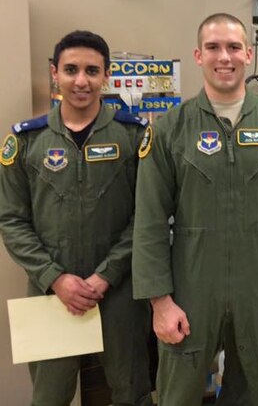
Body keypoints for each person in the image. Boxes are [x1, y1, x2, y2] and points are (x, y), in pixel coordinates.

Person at [132, 13, 258, 405]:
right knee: (177, 391)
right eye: (214, 47)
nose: (225, 57)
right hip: (191, 282)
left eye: (234, 47)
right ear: (198, 55)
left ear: (249, 54)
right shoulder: (170, 128)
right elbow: (149, 219)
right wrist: (159, 301)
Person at [0, 30, 153, 406]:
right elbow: (11, 220)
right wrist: (55, 278)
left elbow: (147, 215)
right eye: (70, 70)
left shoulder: (133, 136)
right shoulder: (26, 142)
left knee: (131, 392)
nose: (81, 81)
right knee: (50, 396)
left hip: (121, 291)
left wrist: (107, 275)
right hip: (51, 292)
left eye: (91, 70)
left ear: (107, 75)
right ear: (55, 73)